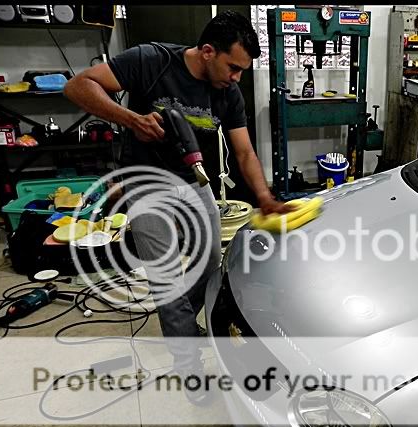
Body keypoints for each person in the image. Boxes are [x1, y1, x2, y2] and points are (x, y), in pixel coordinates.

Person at [64, 11, 292, 403]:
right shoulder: (150, 60)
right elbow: (77, 86)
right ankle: (188, 368)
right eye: (233, 67)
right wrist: (130, 119)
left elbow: (244, 150)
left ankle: (180, 319)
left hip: (194, 183)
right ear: (207, 51)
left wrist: (266, 198)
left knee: (210, 266)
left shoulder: (227, 93)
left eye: (242, 71)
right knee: (167, 280)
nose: (236, 78)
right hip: (147, 185)